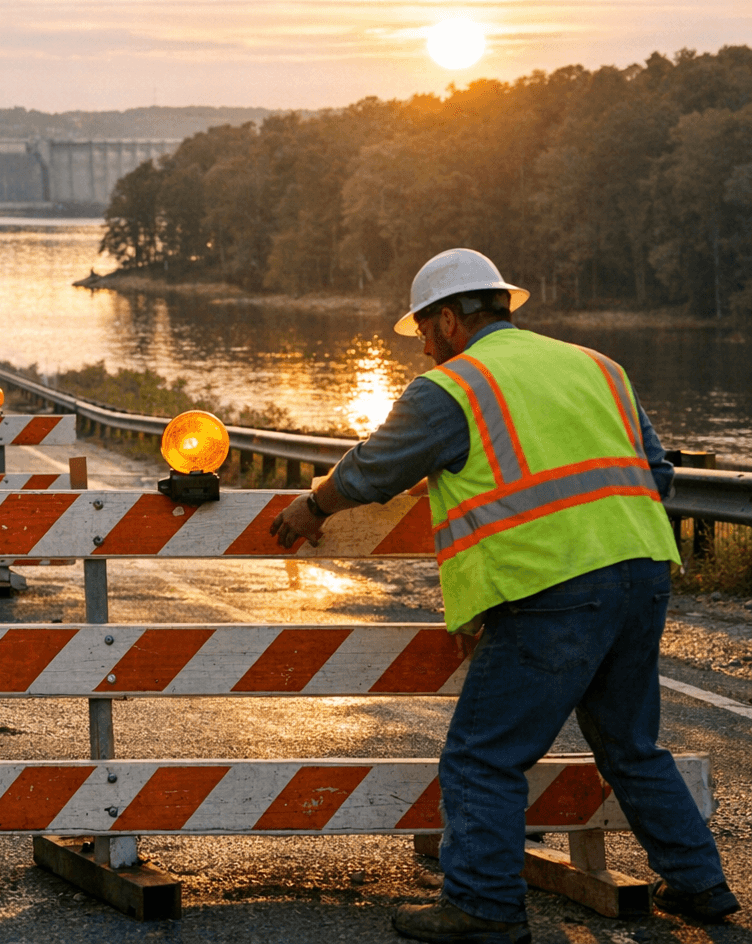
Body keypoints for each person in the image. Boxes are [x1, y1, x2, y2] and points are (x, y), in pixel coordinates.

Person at [270, 248, 739, 943]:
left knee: (483, 756)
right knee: (631, 744)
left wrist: (312, 509)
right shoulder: (598, 367)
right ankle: (701, 884)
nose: (424, 350)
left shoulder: (454, 389)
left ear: (452, 321)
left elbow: (375, 468)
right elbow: (659, 473)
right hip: (643, 571)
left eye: (425, 333)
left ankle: (484, 909)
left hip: (552, 587)